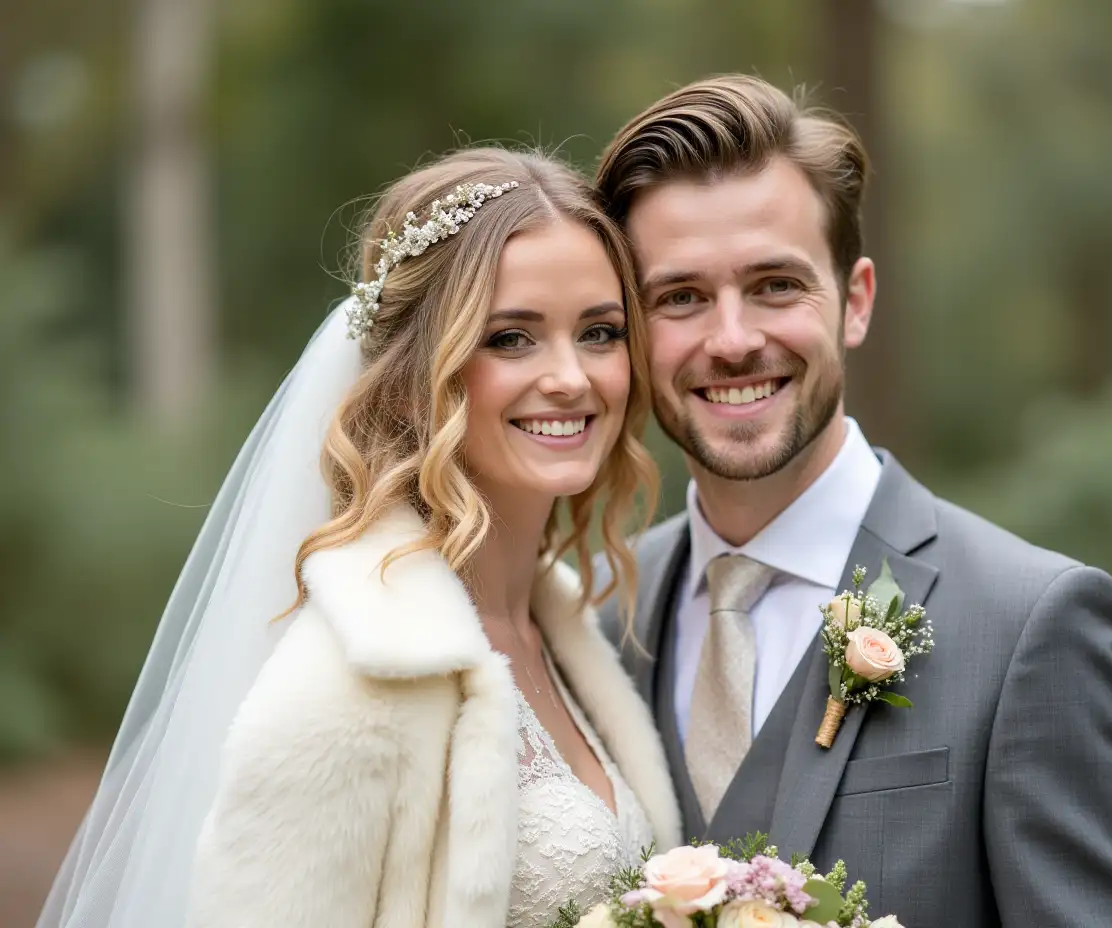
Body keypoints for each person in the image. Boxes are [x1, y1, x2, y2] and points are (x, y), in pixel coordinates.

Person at [38, 147, 680, 928]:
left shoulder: (571, 629)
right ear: (419, 372)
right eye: (511, 338)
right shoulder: (354, 683)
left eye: (600, 332)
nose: (572, 377)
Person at [593, 75, 1112, 928]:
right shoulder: (596, 620)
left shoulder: (1032, 626)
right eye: (680, 298)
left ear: (855, 301)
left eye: (776, 286)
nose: (732, 339)